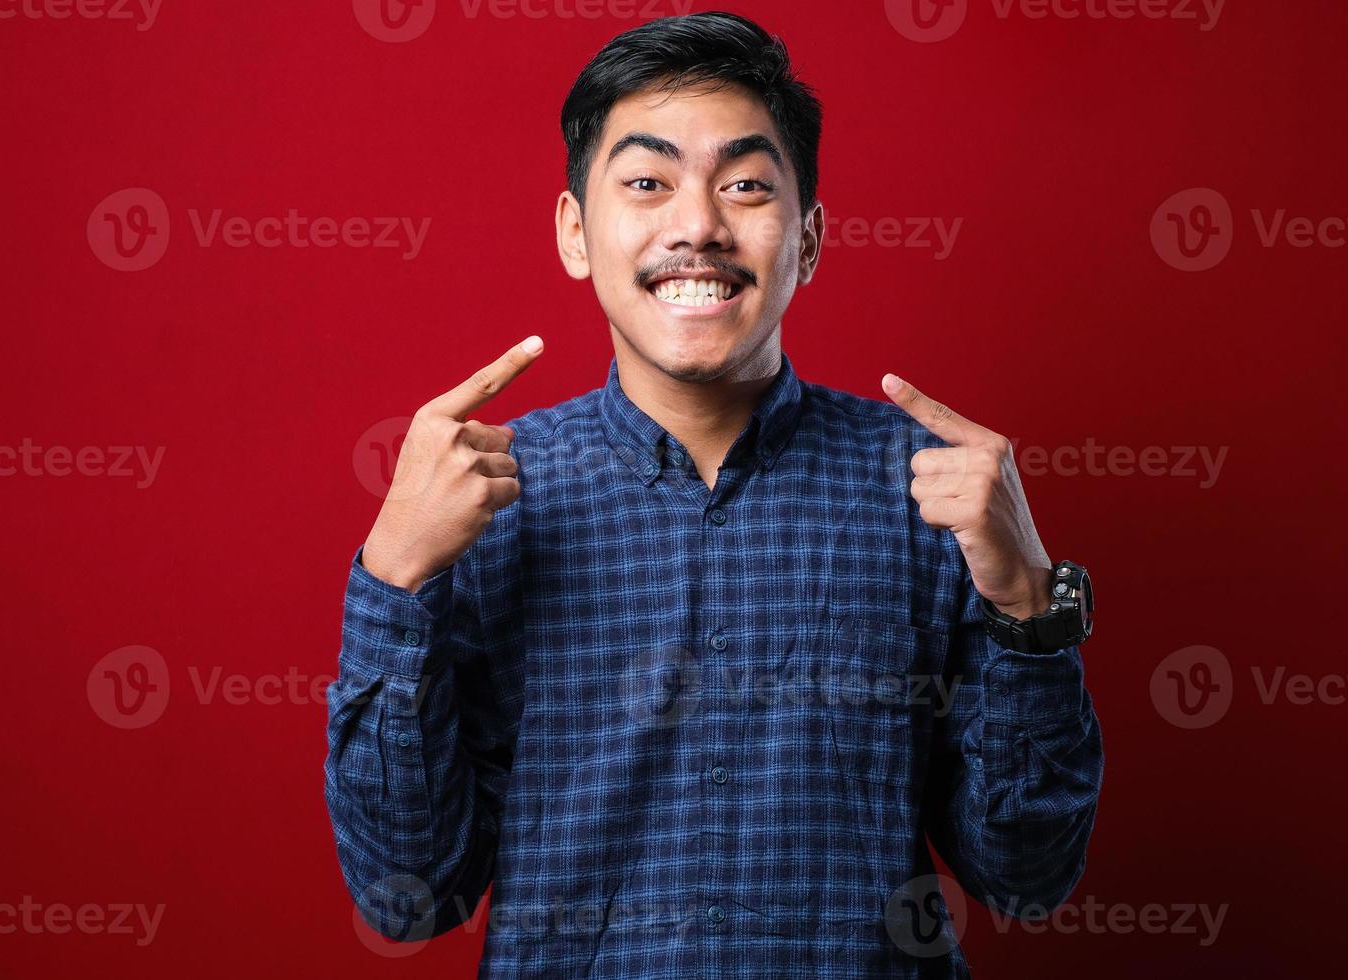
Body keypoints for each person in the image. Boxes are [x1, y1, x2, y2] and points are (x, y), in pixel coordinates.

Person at [324, 11, 1102, 977]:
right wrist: (392, 581)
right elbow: (412, 894)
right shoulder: (480, 499)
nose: (697, 226)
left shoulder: (932, 490)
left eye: (743, 186)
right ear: (576, 232)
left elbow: (1025, 875)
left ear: (808, 240)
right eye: (647, 183)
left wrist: (1029, 604)